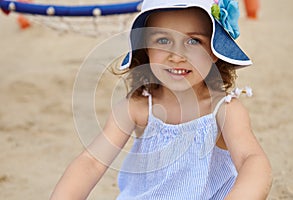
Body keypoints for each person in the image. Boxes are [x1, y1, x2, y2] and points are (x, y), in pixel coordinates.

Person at [50, 0, 272, 199]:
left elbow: (251, 160)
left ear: (214, 50)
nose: (176, 56)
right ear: (146, 49)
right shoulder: (138, 107)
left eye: (194, 41)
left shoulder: (224, 110)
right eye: (163, 40)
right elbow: (92, 163)